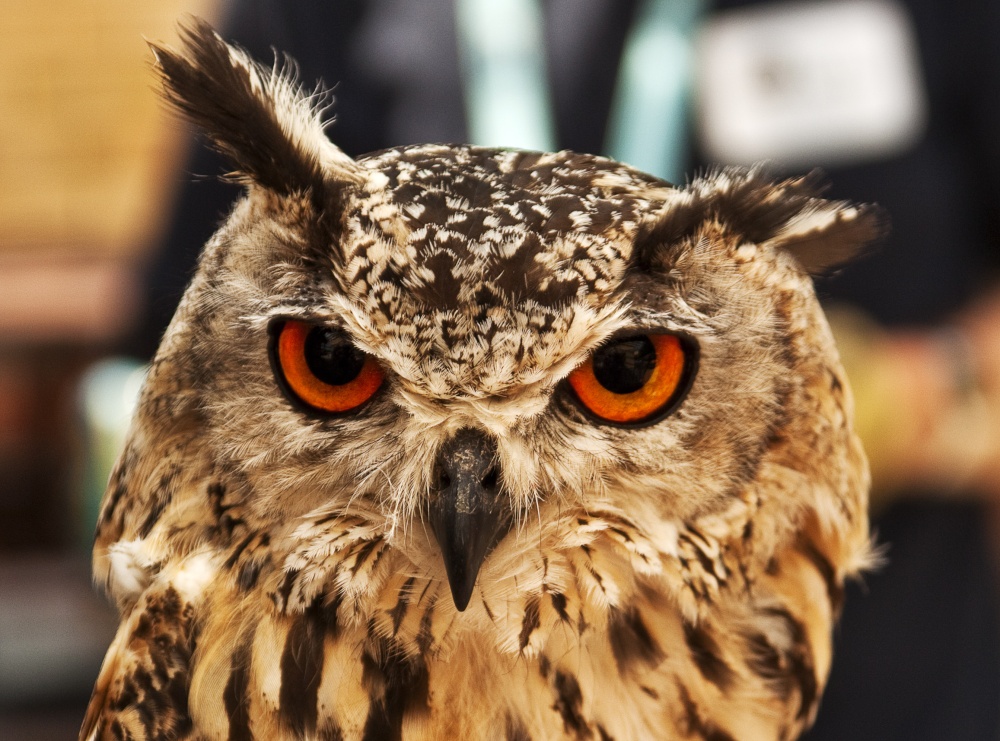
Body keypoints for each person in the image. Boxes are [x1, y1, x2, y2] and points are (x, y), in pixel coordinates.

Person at [124, 1, 1000, 738]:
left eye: (630, 371)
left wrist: (938, 387)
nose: (468, 498)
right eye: (333, 364)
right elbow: (155, 350)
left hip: (896, 681)